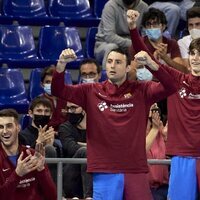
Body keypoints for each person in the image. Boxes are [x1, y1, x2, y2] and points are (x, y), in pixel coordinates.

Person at [51, 36, 177, 200]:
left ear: (127, 68)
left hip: (134, 168)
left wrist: (152, 64)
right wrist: (61, 65)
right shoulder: (91, 91)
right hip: (105, 168)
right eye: (110, 61)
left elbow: (171, 86)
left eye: (118, 62)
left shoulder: (142, 90)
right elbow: (58, 90)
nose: (112, 65)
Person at [127, 9, 200, 200]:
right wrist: (133, 28)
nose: (196, 58)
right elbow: (145, 54)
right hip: (182, 154)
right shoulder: (176, 80)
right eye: (193, 53)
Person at [0, 108, 57, 200]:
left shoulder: (33, 155)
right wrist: (17, 174)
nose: (5, 131)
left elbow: (52, 196)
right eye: (1, 127)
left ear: (18, 128)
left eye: (9, 126)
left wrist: (41, 170)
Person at [94, 0, 148, 68]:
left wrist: (139, 45)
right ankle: (107, 77)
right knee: (112, 48)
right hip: (105, 44)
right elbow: (109, 37)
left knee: (145, 49)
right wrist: (134, 44)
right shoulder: (110, 6)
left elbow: (145, 35)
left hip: (131, 45)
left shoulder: (144, 7)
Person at [19, 96, 58, 183]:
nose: (43, 114)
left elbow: (62, 161)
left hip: (55, 175)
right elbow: (23, 159)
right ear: (31, 113)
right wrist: (38, 143)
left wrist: (52, 145)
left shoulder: (53, 134)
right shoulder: (22, 136)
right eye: (39, 111)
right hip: (31, 175)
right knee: (49, 149)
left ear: (51, 115)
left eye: (46, 111)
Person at [59, 102, 93, 200]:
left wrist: (83, 144)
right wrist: (91, 147)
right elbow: (71, 148)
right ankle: (89, 197)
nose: (70, 111)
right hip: (70, 174)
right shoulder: (64, 127)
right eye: (68, 108)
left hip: (95, 169)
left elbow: (105, 149)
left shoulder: (96, 127)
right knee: (83, 152)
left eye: (74, 108)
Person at [146, 104, 169, 200]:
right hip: (147, 188)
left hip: (165, 187)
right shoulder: (135, 132)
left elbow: (171, 157)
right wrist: (154, 129)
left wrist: (165, 137)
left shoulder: (161, 131)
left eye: (155, 106)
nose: (154, 109)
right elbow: (142, 150)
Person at [40, 65, 67, 131]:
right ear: (42, 84)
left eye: (54, 82)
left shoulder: (67, 101)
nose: (51, 85)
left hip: (65, 136)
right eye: (48, 82)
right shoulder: (38, 102)